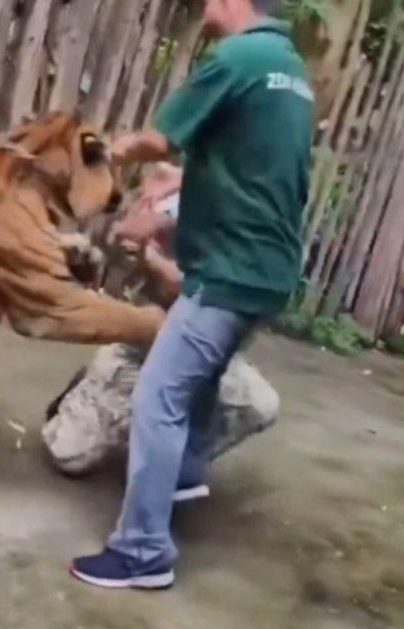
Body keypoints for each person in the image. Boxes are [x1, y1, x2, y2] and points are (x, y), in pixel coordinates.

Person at [69, 0, 314, 590]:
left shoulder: (237, 57)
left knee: (159, 395)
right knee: (196, 377)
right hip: (270, 272)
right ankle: (181, 473)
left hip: (229, 274)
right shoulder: (290, 71)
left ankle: (143, 551)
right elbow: (243, 167)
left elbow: (158, 140)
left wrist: (108, 153)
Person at [42, 163, 280, 482]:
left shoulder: (258, 219)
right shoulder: (179, 199)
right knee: (69, 455)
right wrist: (150, 253)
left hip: (201, 355)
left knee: (258, 406)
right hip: (141, 349)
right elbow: (176, 287)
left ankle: (166, 461)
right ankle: (87, 393)